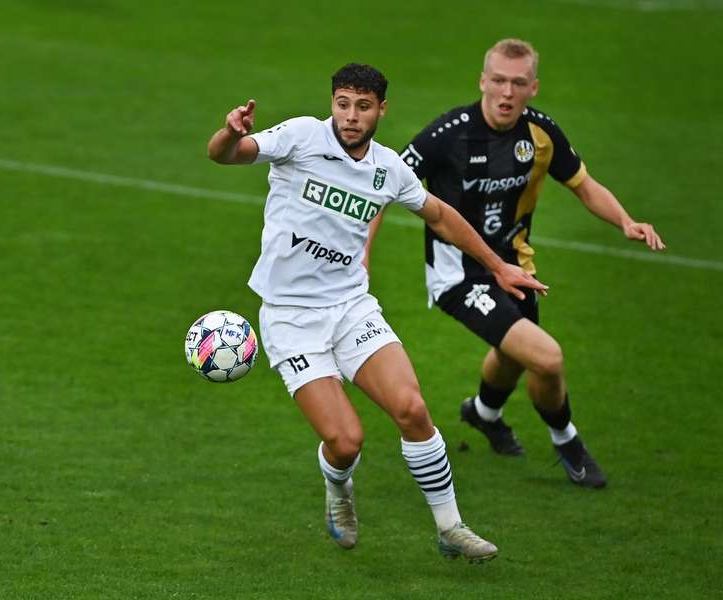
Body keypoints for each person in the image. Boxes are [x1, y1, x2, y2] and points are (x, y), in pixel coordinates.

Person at [207, 63, 547, 562]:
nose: (350, 116)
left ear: (380, 110)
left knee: (412, 410)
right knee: (346, 441)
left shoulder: (388, 168)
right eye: (343, 104)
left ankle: (451, 527)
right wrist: (229, 133)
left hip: (350, 307)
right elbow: (229, 155)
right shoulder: (301, 136)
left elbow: (440, 215)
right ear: (332, 103)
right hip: (291, 318)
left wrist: (498, 266)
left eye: (363, 107)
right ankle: (339, 488)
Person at [372, 38, 665, 489]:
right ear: (483, 81)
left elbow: (585, 186)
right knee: (547, 359)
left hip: (516, 266)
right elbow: (382, 189)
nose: (507, 92)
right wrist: (362, 256)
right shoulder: (447, 135)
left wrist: (625, 221)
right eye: (499, 81)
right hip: (460, 276)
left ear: (533, 88)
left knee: (512, 355)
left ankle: (483, 413)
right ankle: (567, 442)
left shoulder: (541, 133)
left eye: (519, 83)